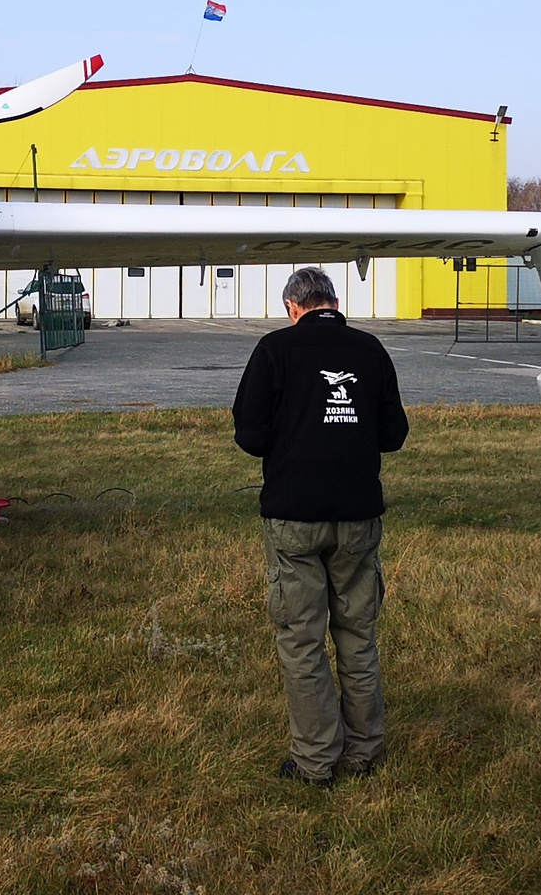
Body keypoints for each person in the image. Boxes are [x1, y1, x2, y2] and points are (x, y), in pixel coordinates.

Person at [231, 266, 410, 786]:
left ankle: (314, 761)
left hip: (293, 515)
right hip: (359, 514)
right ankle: (364, 752)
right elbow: (394, 433)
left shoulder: (275, 350)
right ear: (333, 301)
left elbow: (250, 434)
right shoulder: (370, 349)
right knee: (357, 634)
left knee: (302, 640)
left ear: (292, 307)